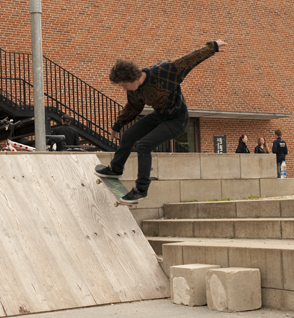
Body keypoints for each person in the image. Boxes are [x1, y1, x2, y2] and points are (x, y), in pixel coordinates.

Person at [95, 40, 228, 203]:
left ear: (134, 77)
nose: (124, 89)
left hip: (178, 119)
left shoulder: (164, 71)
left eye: (124, 85)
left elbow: (188, 60)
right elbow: (132, 108)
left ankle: (140, 189)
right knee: (128, 135)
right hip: (160, 115)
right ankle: (115, 169)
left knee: (144, 145)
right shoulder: (134, 92)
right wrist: (118, 125)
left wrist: (212, 47)